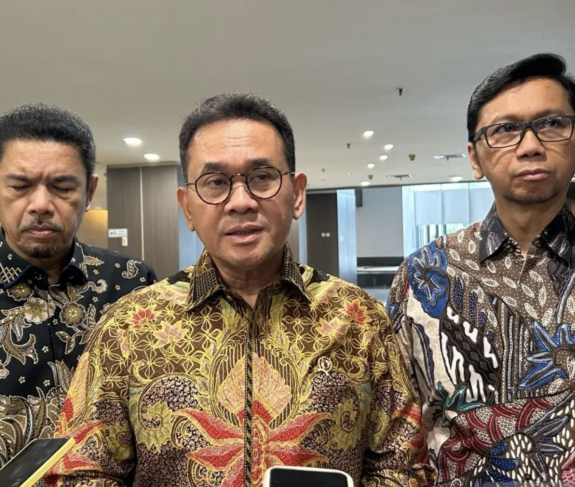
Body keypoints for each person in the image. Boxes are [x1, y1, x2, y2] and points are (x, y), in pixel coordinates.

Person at [45, 93, 433, 487]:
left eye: (262, 177)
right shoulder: (130, 326)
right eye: (215, 183)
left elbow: (401, 466)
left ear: (297, 194)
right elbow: (80, 471)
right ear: (187, 207)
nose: (241, 202)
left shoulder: (358, 319)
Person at [387, 53, 575, 485]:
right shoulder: (424, 275)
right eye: (505, 130)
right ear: (474, 158)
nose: (530, 145)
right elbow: (397, 432)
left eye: (552, 123)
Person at [0, 103, 157, 467]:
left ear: (89, 191)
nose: (41, 204)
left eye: (62, 187)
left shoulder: (132, 282)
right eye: (20, 186)